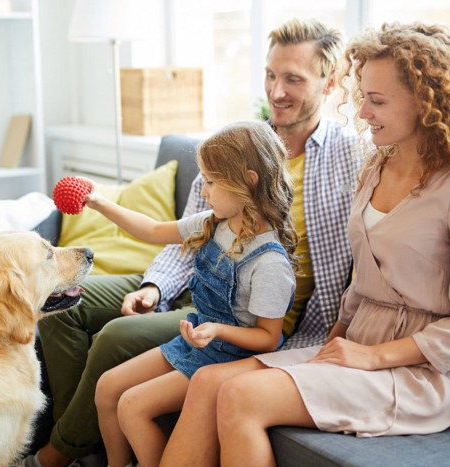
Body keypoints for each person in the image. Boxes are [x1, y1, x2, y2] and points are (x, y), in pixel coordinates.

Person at [160, 21, 450, 467]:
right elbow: (362, 282)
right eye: (363, 97)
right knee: (207, 382)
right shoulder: (375, 167)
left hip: (422, 373)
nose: (363, 112)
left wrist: (372, 356)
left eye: (377, 100)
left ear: (426, 103)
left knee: (239, 395)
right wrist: (335, 341)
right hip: (353, 347)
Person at [23, 17, 359, 467]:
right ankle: (76, 441)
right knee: (60, 305)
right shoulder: (236, 153)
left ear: (330, 81)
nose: (276, 91)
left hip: (243, 320)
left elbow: (274, 325)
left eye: (293, 79)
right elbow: (172, 233)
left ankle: (57, 453)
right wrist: (153, 286)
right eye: (270, 75)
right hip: (195, 293)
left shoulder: (350, 158)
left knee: (117, 344)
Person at [90, 120, 297, 467]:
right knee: (108, 389)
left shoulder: (270, 263)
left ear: (248, 181)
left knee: (132, 406)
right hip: (199, 341)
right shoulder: (214, 222)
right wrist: (100, 204)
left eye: (212, 182)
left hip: (228, 357)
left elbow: (268, 339)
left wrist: (216, 330)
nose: (204, 191)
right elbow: (154, 230)